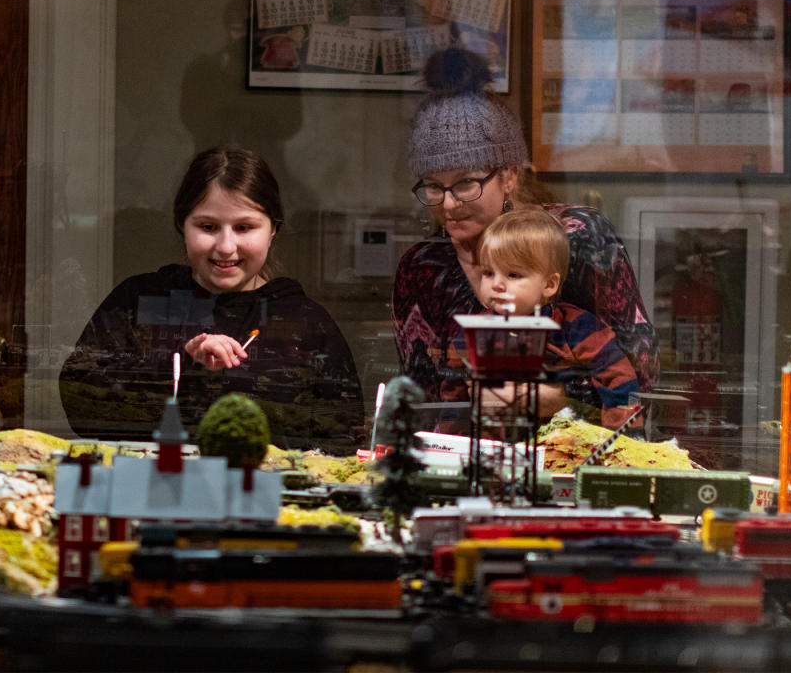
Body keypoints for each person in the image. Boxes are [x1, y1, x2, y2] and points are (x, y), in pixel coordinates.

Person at [392, 47, 657, 430]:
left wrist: (555, 398)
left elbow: (641, 371)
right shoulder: (422, 267)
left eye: (466, 183)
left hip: (576, 456)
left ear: (510, 176)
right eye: (433, 187)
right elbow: (420, 397)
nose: (448, 204)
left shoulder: (577, 238)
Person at [60, 148, 364, 454]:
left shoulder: (306, 322)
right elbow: (79, 402)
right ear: (182, 225)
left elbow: (341, 434)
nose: (226, 247)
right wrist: (182, 364)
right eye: (208, 227)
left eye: (244, 227)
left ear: (273, 229)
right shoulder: (139, 301)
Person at [473, 208, 642, 429]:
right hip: (493, 449)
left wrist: (624, 438)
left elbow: (619, 378)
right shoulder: (477, 329)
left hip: (564, 446)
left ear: (549, 284)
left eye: (513, 274)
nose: (496, 284)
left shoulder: (578, 328)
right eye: (488, 273)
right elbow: (454, 389)